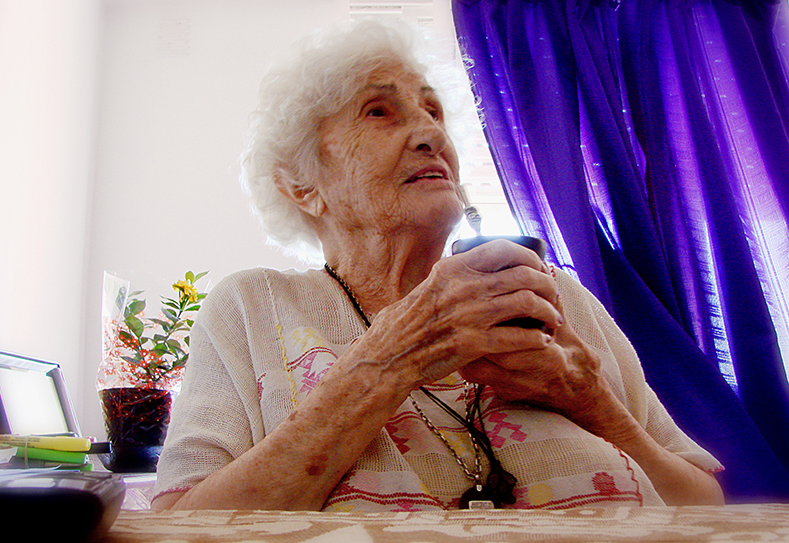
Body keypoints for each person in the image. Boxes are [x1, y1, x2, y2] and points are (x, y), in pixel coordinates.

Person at [151, 19, 724, 512]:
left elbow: (703, 507)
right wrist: (386, 362)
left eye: (433, 110)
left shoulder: (551, 297)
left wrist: (594, 404)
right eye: (379, 112)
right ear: (302, 186)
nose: (430, 134)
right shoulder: (253, 308)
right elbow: (183, 526)